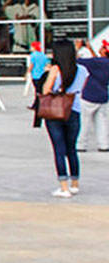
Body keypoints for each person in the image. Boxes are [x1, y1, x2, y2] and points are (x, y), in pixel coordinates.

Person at [42, 39, 88, 197]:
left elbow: (46, 89)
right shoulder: (82, 69)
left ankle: (64, 187)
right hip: (74, 110)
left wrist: (48, 73)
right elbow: (81, 87)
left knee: (59, 149)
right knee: (72, 149)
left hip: (56, 112)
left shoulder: (55, 69)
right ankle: (75, 183)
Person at [77, 52, 109, 152]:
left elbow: (78, 61)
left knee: (84, 122)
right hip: (103, 95)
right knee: (102, 122)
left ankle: (81, 144)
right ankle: (104, 144)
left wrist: (78, 49)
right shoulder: (104, 63)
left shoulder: (96, 62)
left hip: (89, 95)